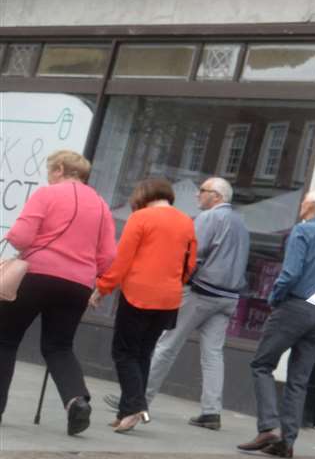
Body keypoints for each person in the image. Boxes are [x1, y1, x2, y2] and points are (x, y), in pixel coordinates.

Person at [0, 150, 117, 434]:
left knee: (5, 340)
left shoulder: (46, 195)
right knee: (59, 346)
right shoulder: (101, 205)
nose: (48, 176)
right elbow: (108, 256)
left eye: (50, 170)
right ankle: (76, 400)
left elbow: (21, 237)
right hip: (77, 284)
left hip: (36, 275)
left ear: (60, 169)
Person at [237, 187, 315, 459]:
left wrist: (274, 298)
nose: (301, 203)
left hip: (294, 306)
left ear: (310, 205)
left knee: (262, 364)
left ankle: (268, 427)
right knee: (299, 379)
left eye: (305, 199)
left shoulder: (302, 231)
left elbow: (290, 272)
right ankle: (287, 441)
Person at [141, 177, 250, 430]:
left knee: (167, 344)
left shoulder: (209, 218)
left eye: (203, 191)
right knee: (212, 354)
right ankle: (211, 411)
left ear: (217, 197)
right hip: (228, 297)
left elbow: (191, 255)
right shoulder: (240, 223)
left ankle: (139, 399)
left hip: (202, 292)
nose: (197, 195)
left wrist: (176, 281)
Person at [93, 178, 197, 434]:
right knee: (143, 352)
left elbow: (122, 260)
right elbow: (190, 264)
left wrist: (102, 288)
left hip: (138, 293)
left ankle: (135, 408)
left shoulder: (140, 219)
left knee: (124, 352)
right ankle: (126, 412)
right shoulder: (186, 221)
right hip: (170, 297)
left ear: (142, 196)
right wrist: (175, 282)